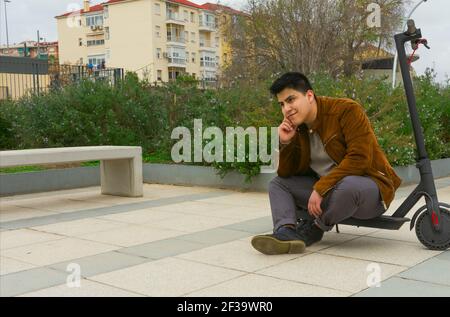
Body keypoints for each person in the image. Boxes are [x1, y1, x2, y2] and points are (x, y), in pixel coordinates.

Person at [251, 72, 402, 255]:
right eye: (282, 104)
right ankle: (286, 231)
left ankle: (315, 228)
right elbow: (285, 173)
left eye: (291, 100)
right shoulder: (297, 127)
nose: (286, 109)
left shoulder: (346, 110)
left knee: (349, 186)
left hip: (367, 190)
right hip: (328, 195)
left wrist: (321, 187)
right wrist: (286, 143)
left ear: (309, 95)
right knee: (278, 184)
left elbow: (360, 158)